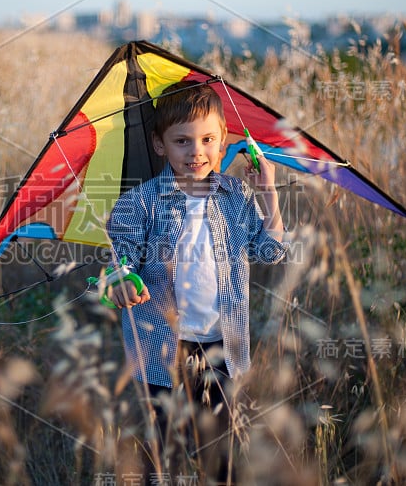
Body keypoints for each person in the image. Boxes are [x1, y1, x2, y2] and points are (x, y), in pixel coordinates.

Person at [105, 80, 287, 484]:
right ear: (159, 145)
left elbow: (269, 251)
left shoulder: (235, 196)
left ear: (224, 141)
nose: (196, 152)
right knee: (159, 453)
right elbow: (122, 257)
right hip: (160, 347)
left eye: (207, 139)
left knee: (218, 454)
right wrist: (121, 281)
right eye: (182, 141)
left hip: (220, 345)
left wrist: (270, 195)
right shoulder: (141, 201)